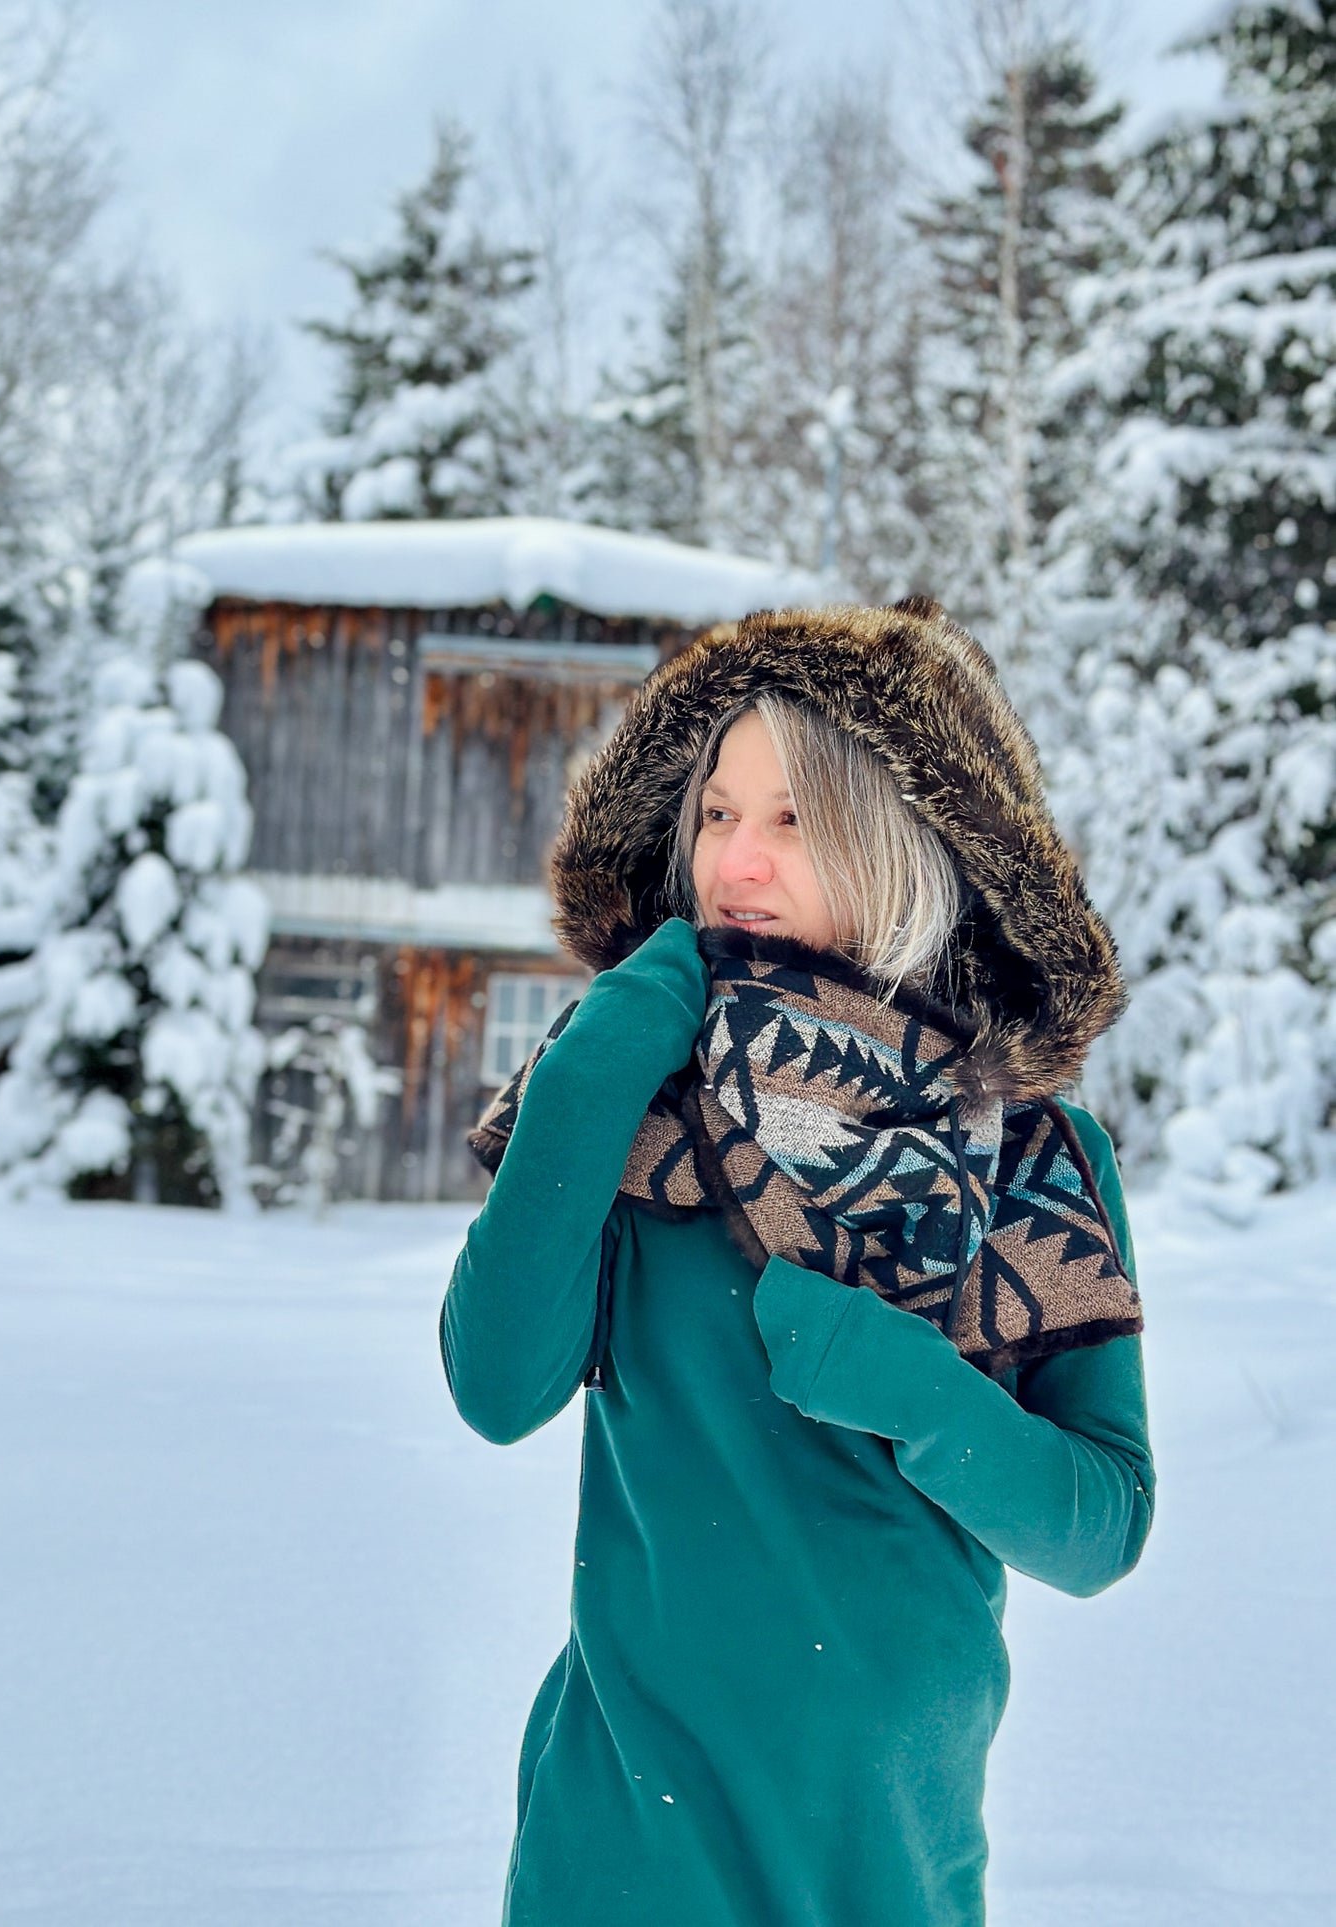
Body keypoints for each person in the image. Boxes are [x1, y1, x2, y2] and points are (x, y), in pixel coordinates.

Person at [439, 599, 1155, 1927]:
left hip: (880, 1850)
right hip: (626, 1831)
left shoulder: (1030, 1156)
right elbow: (495, 1388)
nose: (735, 858)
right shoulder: (635, 1106)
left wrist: (916, 1391)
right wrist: (585, 1081)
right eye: (715, 812)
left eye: (790, 818)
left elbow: (1099, 1524)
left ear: (902, 845)